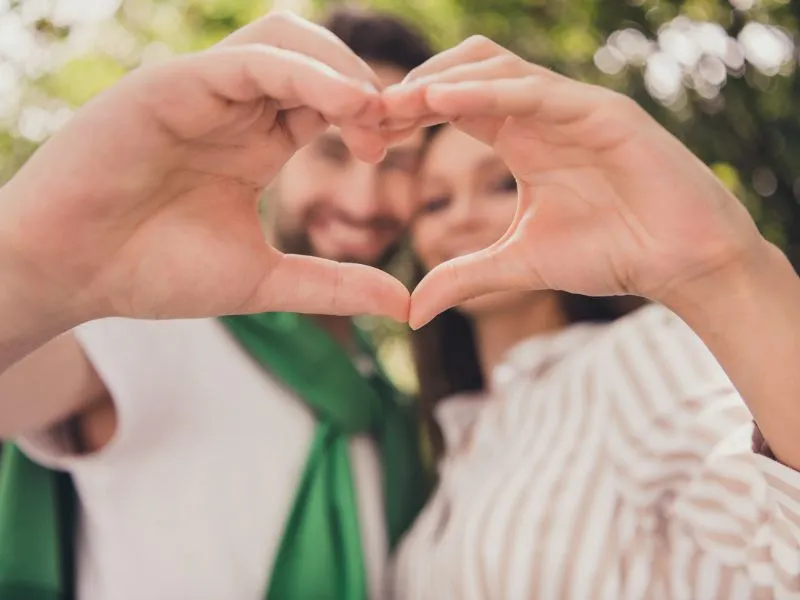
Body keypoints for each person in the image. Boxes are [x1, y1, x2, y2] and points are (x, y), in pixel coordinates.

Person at [0, 10, 434, 600]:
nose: (363, 201)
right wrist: (29, 262)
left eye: (397, 163)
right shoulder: (146, 321)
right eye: (332, 154)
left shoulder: (386, 405)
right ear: (279, 154)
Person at [381, 38, 800, 598]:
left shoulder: (638, 358)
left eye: (501, 184)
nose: (462, 216)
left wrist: (729, 269)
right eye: (435, 202)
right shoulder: (454, 445)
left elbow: (781, 532)